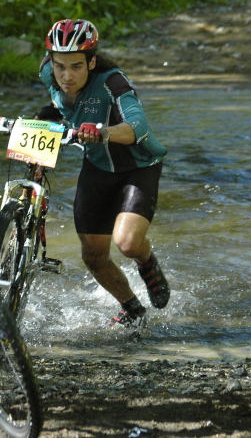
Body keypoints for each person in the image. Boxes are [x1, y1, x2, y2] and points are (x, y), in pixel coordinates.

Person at [36, 18, 170, 327]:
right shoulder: (48, 74)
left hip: (137, 168)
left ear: (92, 62)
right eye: (60, 66)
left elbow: (138, 127)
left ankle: (147, 264)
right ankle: (132, 308)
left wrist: (103, 132)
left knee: (127, 243)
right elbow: (65, 105)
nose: (66, 76)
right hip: (96, 167)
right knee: (94, 256)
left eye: (76, 67)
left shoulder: (113, 83)